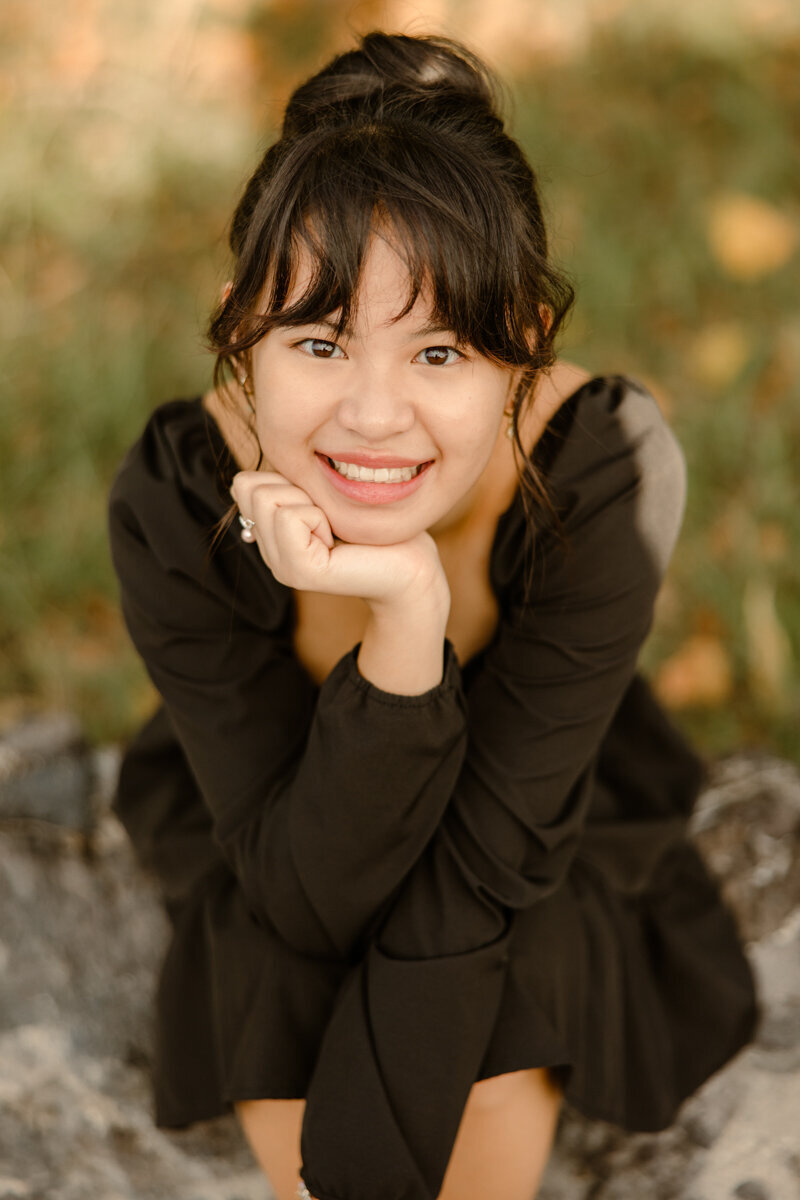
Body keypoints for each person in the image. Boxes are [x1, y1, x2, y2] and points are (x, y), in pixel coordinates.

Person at [108, 31, 759, 1200]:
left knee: (520, 952)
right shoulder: (177, 498)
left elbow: (472, 881)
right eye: (316, 340)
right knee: (265, 963)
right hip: (282, 820)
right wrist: (406, 630)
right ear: (240, 330)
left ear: (524, 353)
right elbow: (305, 895)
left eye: (440, 350)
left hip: (522, 811)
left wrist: (357, 1177)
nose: (372, 417)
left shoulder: (602, 469)